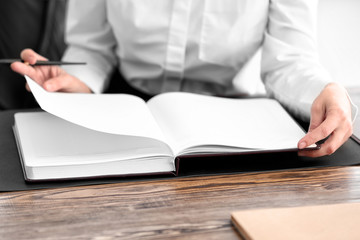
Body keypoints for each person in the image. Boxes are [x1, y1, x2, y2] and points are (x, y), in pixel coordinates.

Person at [11, 0, 356, 157]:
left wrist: (325, 90)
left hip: (236, 117)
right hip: (126, 105)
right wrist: (72, 81)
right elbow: (92, 47)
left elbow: (289, 61)